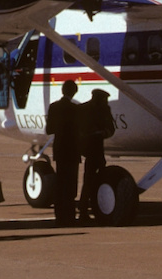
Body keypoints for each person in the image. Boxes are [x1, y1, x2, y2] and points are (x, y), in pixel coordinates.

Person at [45, 80, 80, 226]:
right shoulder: (76, 109)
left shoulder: (54, 107)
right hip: (72, 150)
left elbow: (49, 129)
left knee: (60, 182)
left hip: (60, 149)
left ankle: (59, 215)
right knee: (71, 184)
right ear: (74, 92)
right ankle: (70, 215)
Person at [78, 89, 115, 221]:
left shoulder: (103, 109)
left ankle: (94, 206)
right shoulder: (84, 109)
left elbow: (111, 128)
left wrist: (103, 132)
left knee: (95, 180)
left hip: (98, 150)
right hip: (90, 149)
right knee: (89, 180)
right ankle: (84, 208)